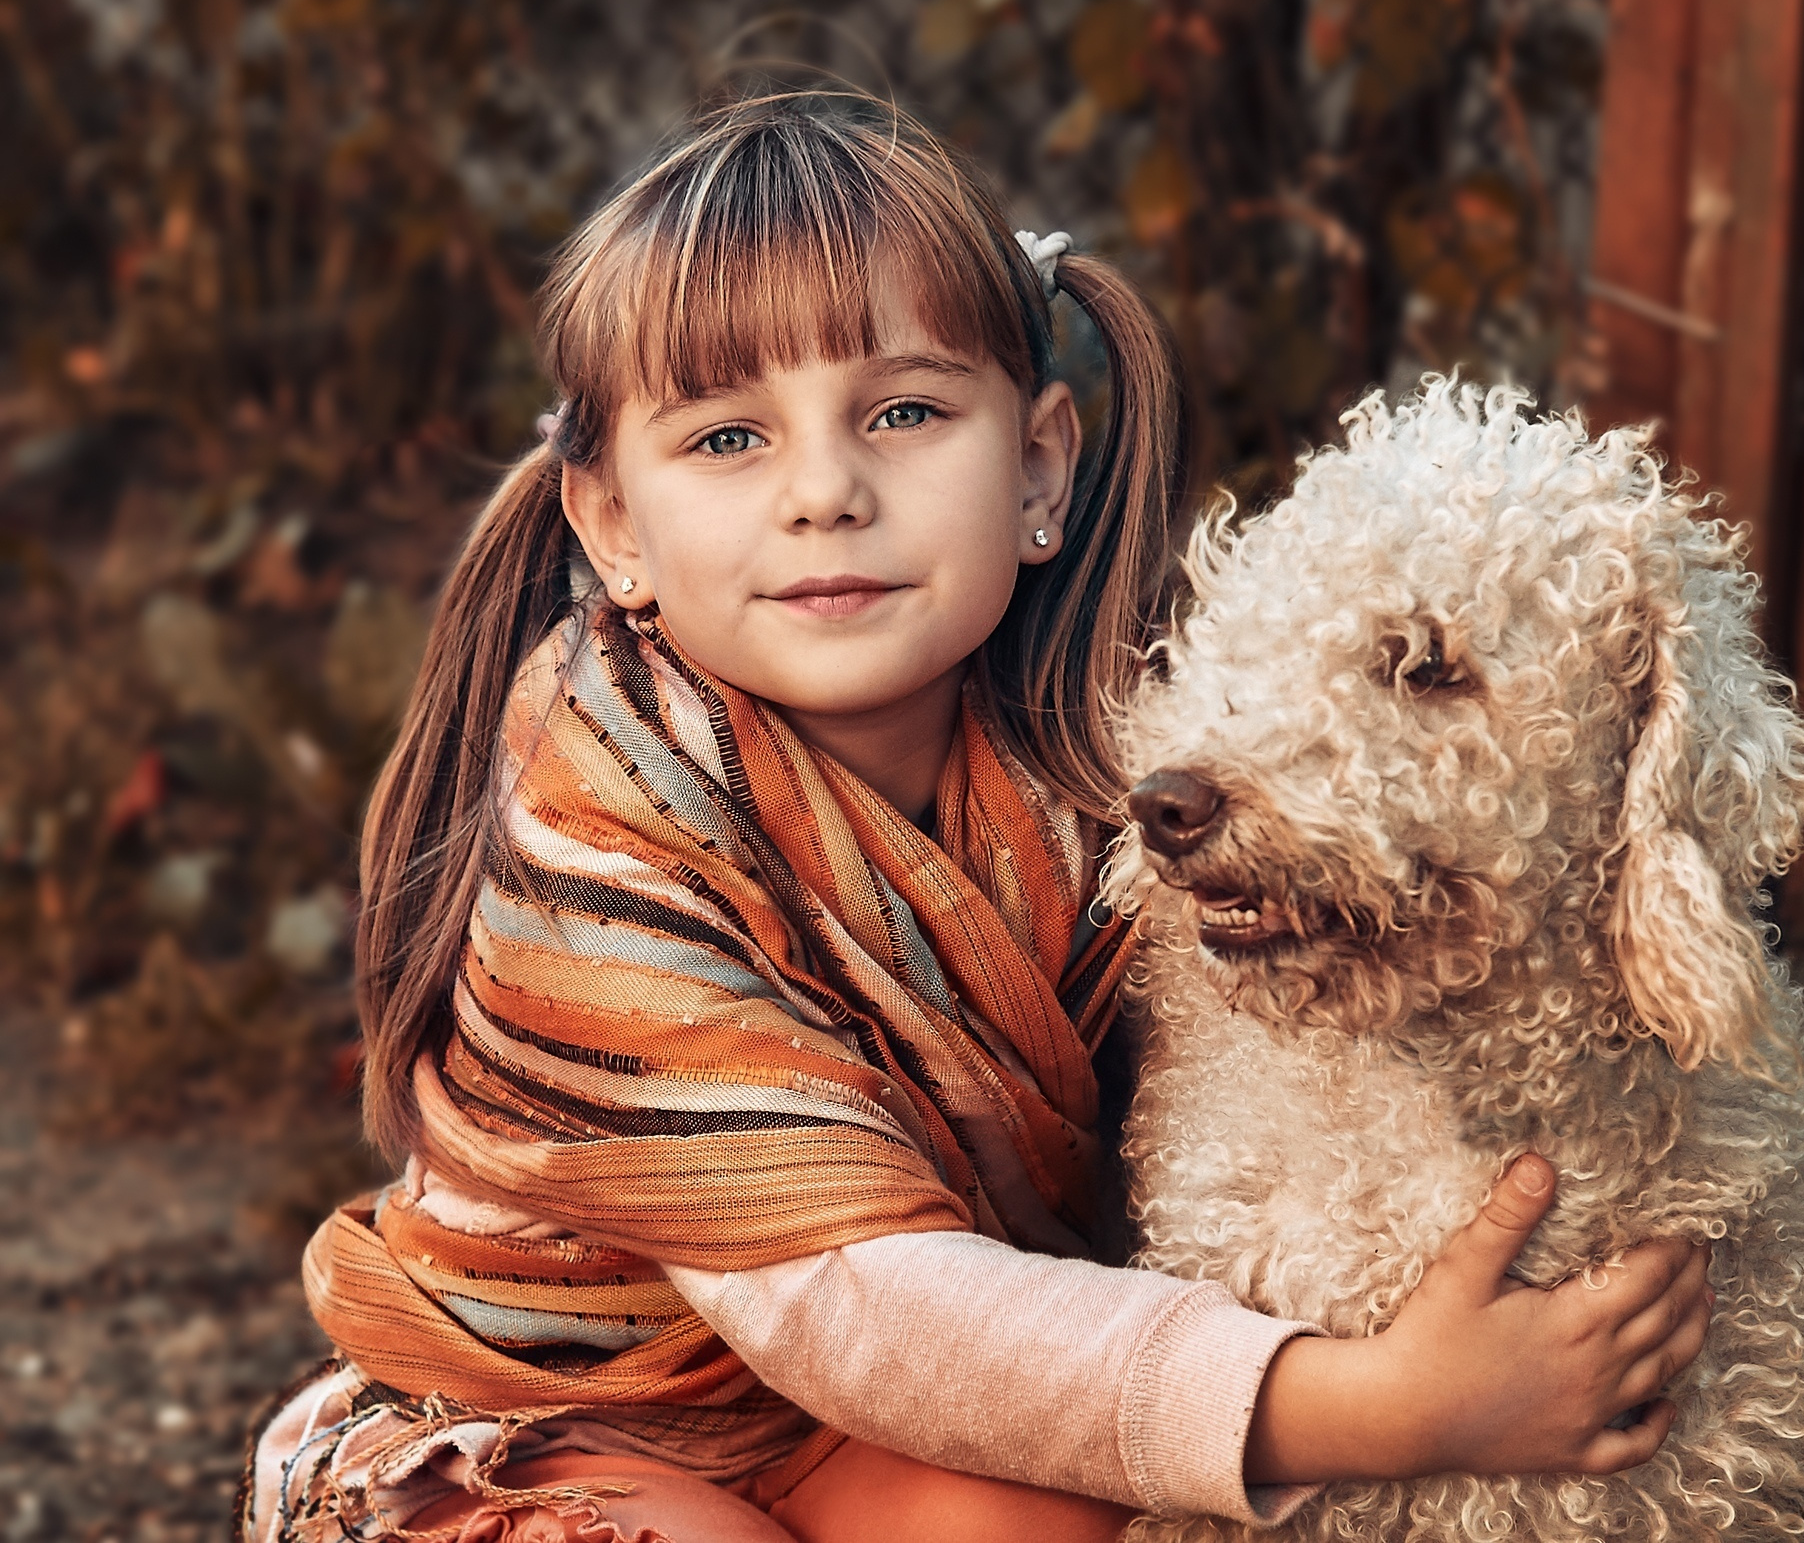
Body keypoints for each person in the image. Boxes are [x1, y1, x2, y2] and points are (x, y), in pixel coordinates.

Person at [239, 88, 1715, 1543]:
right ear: (613, 525)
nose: (826, 491)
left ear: (1039, 467)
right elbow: (859, 1308)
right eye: (728, 440)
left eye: (904, 411)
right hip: (551, 1420)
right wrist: (1385, 1406)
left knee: (1057, 1524)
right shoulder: (592, 831)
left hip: (841, 1427)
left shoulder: (1102, 758)